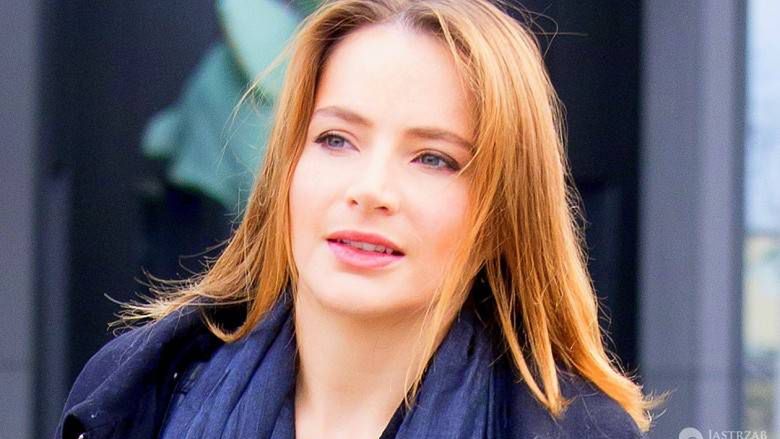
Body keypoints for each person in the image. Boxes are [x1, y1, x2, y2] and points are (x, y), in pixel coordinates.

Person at [55, 0, 664, 437]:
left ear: (501, 212)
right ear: (287, 167)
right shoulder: (139, 393)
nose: (371, 190)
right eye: (336, 140)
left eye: (432, 158)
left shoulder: (577, 430)